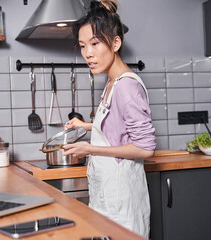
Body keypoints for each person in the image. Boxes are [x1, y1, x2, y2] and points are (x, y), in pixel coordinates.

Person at [62, 0, 156, 238]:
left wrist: (90, 148)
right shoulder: (112, 82)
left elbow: (145, 148)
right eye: (83, 46)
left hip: (122, 200)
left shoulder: (126, 86)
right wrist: (85, 125)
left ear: (115, 43)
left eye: (95, 43)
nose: (88, 54)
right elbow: (118, 126)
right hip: (108, 195)